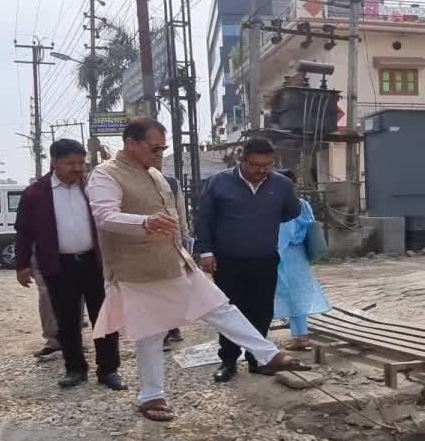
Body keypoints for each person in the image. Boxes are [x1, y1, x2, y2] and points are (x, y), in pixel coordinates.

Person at [86, 119, 310, 422]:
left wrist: (186, 247)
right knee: (150, 335)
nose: (160, 154)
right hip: (137, 269)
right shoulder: (106, 175)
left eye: (163, 148)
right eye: (155, 148)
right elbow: (104, 215)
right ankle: (151, 397)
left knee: (221, 308)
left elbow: (176, 217)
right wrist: (144, 222)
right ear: (131, 143)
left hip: (175, 261)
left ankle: (267, 354)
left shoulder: (155, 175)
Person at [15, 139, 124, 390]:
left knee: (105, 318)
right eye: (70, 163)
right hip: (59, 266)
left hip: (94, 263)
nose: (77, 168)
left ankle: (109, 370)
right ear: (54, 163)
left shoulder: (92, 187)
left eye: (80, 163)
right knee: (67, 320)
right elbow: (23, 231)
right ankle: (75, 369)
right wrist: (22, 265)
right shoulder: (36, 193)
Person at [195, 137, 300, 382]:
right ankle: (228, 361)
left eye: (268, 165)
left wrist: (262, 224)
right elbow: (203, 219)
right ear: (241, 159)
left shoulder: (281, 185)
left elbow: (291, 211)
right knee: (229, 311)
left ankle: (258, 359)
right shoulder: (219, 183)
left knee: (262, 310)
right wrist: (206, 251)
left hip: (264, 259)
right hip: (227, 260)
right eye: (255, 165)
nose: (262, 171)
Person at [272, 170, 331, 351]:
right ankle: (300, 335)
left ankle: (299, 338)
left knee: (286, 294)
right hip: (300, 255)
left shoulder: (282, 205)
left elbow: (283, 235)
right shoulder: (303, 203)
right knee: (297, 294)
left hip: (285, 255)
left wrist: (273, 256)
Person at [162, 174, 187, 351]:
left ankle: (172, 326)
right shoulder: (130, 180)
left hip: (170, 244)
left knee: (171, 288)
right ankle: (160, 333)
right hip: (145, 246)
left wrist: (184, 238)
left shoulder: (171, 182)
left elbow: (180, 212)